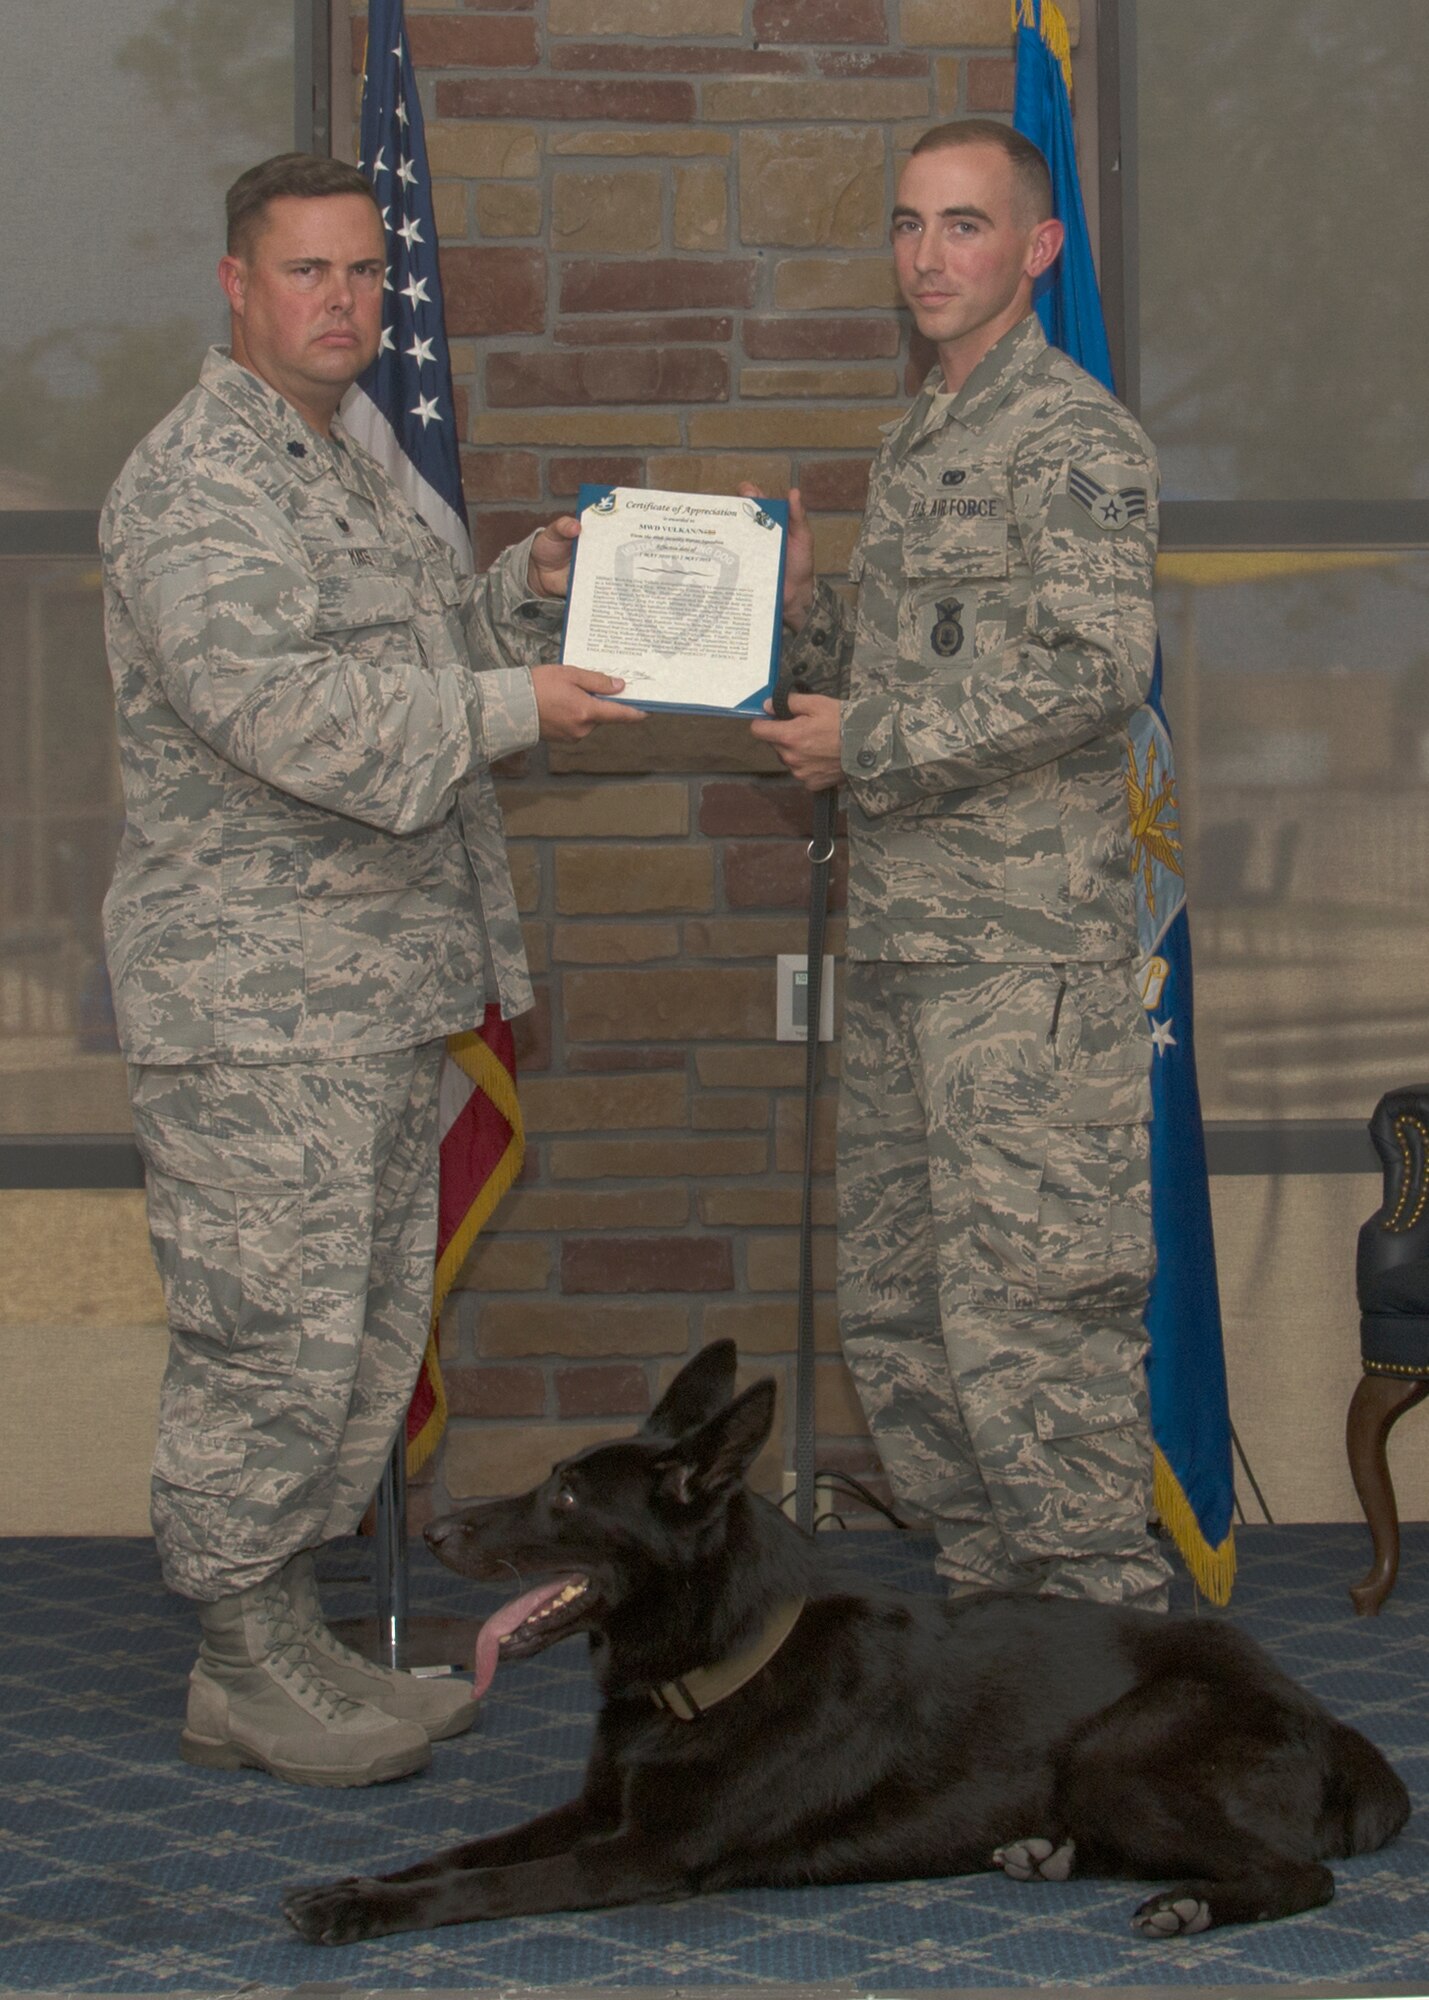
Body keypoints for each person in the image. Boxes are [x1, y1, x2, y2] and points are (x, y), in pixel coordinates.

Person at [100, 153, 643, 1787]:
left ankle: (290, 1639)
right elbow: (281, 715)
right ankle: (239, 1657)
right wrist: (514, 708)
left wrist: (514, 603)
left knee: (346, 1335)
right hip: (261, 1009)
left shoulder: (347, 469)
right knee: (267, 1337)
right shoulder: (203, 478)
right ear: (236, 284)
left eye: (362, 275)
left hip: (380, 991)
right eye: (305, 273)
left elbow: (403, 666)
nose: (341, 303)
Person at [750, 120, 1172, 1610]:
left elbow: (1089, 668)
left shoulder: (1069, 438)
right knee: (906, 1319)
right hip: (906, 950)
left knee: (1032, 1327)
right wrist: (799, 617)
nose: (929, 257)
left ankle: (1105, 1669)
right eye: (909, 226)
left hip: (1021, 967)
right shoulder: (924, 430)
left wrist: (861, 740)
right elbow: (895, 667)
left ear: (1036, 248)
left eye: (966, 227)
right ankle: (1004, 1651)